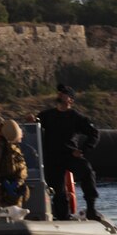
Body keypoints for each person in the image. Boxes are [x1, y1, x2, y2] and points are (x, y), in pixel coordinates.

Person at [33, 84, 101, 220]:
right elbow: (33, 126)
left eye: (63, 93)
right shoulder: (47, 115)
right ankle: (63, 217)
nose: (59, 95)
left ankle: (91, 208)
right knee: (58, 191)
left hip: (69, 155)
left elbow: (94, 133)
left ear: (71, 99)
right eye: (59, 92)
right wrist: (31, 120)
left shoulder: (76, 117)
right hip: (52, 157)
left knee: (87, 172)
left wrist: (83, 150)